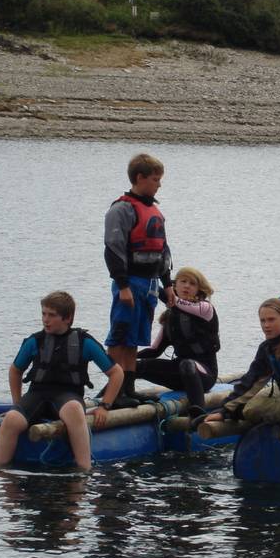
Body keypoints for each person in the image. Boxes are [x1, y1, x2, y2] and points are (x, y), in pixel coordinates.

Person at [0, 291, 122, 472]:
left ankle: (83, 469)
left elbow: (116, 373)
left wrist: (105, 405)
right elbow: (15, 370)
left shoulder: (85, 342)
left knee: (74, 409)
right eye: (43, 314)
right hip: (37, 395)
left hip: (68, 396)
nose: (46, 319)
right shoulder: (35, 341)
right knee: (12, 419)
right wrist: (16, 404)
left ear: (67, 318)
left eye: (51, 315)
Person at [104, 152, 175, 409]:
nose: (159, 184)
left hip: (149, 284)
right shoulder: (122, 209)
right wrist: (123, 285)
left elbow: (163, 251)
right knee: (120, 337)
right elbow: (113, 249)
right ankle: (114, 389)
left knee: (134, 340)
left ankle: (129, 388)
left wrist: (168, 285)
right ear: (139, 178)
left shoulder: (154, 211)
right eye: (155, 179)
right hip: (130, 282)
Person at [199, 298, 280, 438]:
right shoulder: (267, 348)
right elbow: (251, 380)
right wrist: (224, 410)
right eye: (263, 321)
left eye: (271, 320)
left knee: (253, 409)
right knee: (249, 407)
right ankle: (235, 413)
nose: (266, 325)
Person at [136, 266, 220, 428]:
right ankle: (109, 400)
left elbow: (172, 301)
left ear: (198, 289)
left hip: (205, 375)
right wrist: (126, 359)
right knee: (133, 367)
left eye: (192, 284)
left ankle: (198, 414)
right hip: (178, 376)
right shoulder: (170, 317)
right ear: (175, 286)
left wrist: (147, 281)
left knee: (187, 364)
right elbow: (154, 351)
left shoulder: (205, 308)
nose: (187, 286)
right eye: (183, 282)